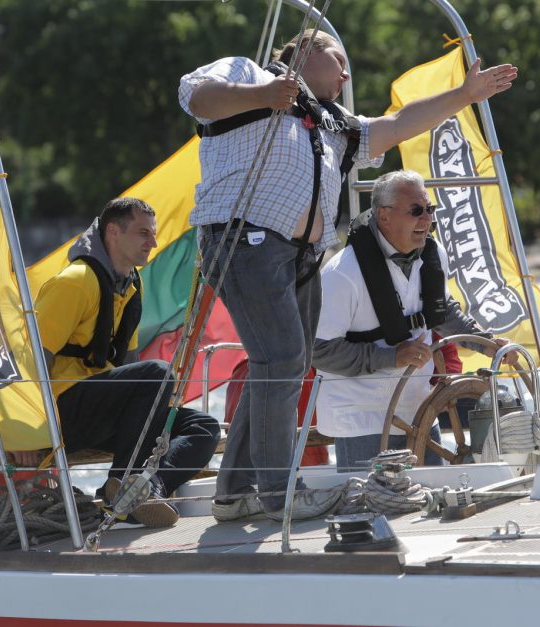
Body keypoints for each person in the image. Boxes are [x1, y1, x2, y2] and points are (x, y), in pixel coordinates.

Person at [178, 29, 517, 522]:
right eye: (338, 60)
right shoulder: (247, 73)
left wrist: (466, 94)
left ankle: (233, 493)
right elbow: (194, 96)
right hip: (244, 241)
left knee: (275, 362)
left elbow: (400, 122)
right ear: (305, 52)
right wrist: (264, 96)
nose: (346, 73)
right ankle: (278, 495)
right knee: (284, 358)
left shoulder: (334, 124)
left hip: (301, 257)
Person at [313, 170, 518, 471]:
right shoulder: (341, 275)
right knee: (375, 509)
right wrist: (389, 357)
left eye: (430, 209)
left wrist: (486, 342)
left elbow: (442, 313)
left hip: (421, 411)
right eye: (416, 211)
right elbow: (319, 352)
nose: (427, 219)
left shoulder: (433, 257)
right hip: (360, 419)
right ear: (384, 216)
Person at [34, 197, 220, 527]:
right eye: (143, 233)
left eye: (153, 234)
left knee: (203, 426)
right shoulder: (74, 282)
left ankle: (147, 489)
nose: (154, 243)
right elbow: (30, 362)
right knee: (157, 373)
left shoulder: (131, 286)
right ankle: (119, 487)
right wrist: (28, 434)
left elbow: (129, 365)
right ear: (113, 233)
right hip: (64, 411)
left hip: (105, 411)